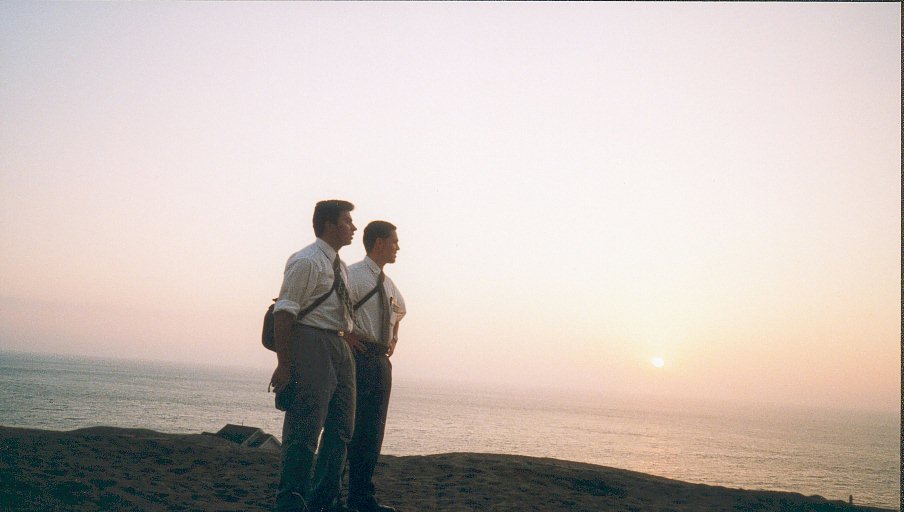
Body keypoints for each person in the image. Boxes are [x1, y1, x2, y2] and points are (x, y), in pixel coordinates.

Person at [270, 200, 359, 512]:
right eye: (348, 221)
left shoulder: (341, 267)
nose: (353, 227)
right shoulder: (306, 261)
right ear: (330, 225)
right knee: (304, 427)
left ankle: (323, 500)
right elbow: (284, 312)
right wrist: (284, 364)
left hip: (338, 346)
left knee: (341, 429)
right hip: (311, 342)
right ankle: (290, 502)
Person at [343, 221, 406, 512]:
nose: (398, 247)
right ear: (379, 242)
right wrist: (346, 334)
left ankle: (362, 498)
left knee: (372, 432)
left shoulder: (389, 284)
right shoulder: (353, 275)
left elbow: (400, 312)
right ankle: (332, 495)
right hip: (358, 358)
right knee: (345, 429)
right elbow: (333, 310)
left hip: (380, 361)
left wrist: (393, 339)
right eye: (394, 241)